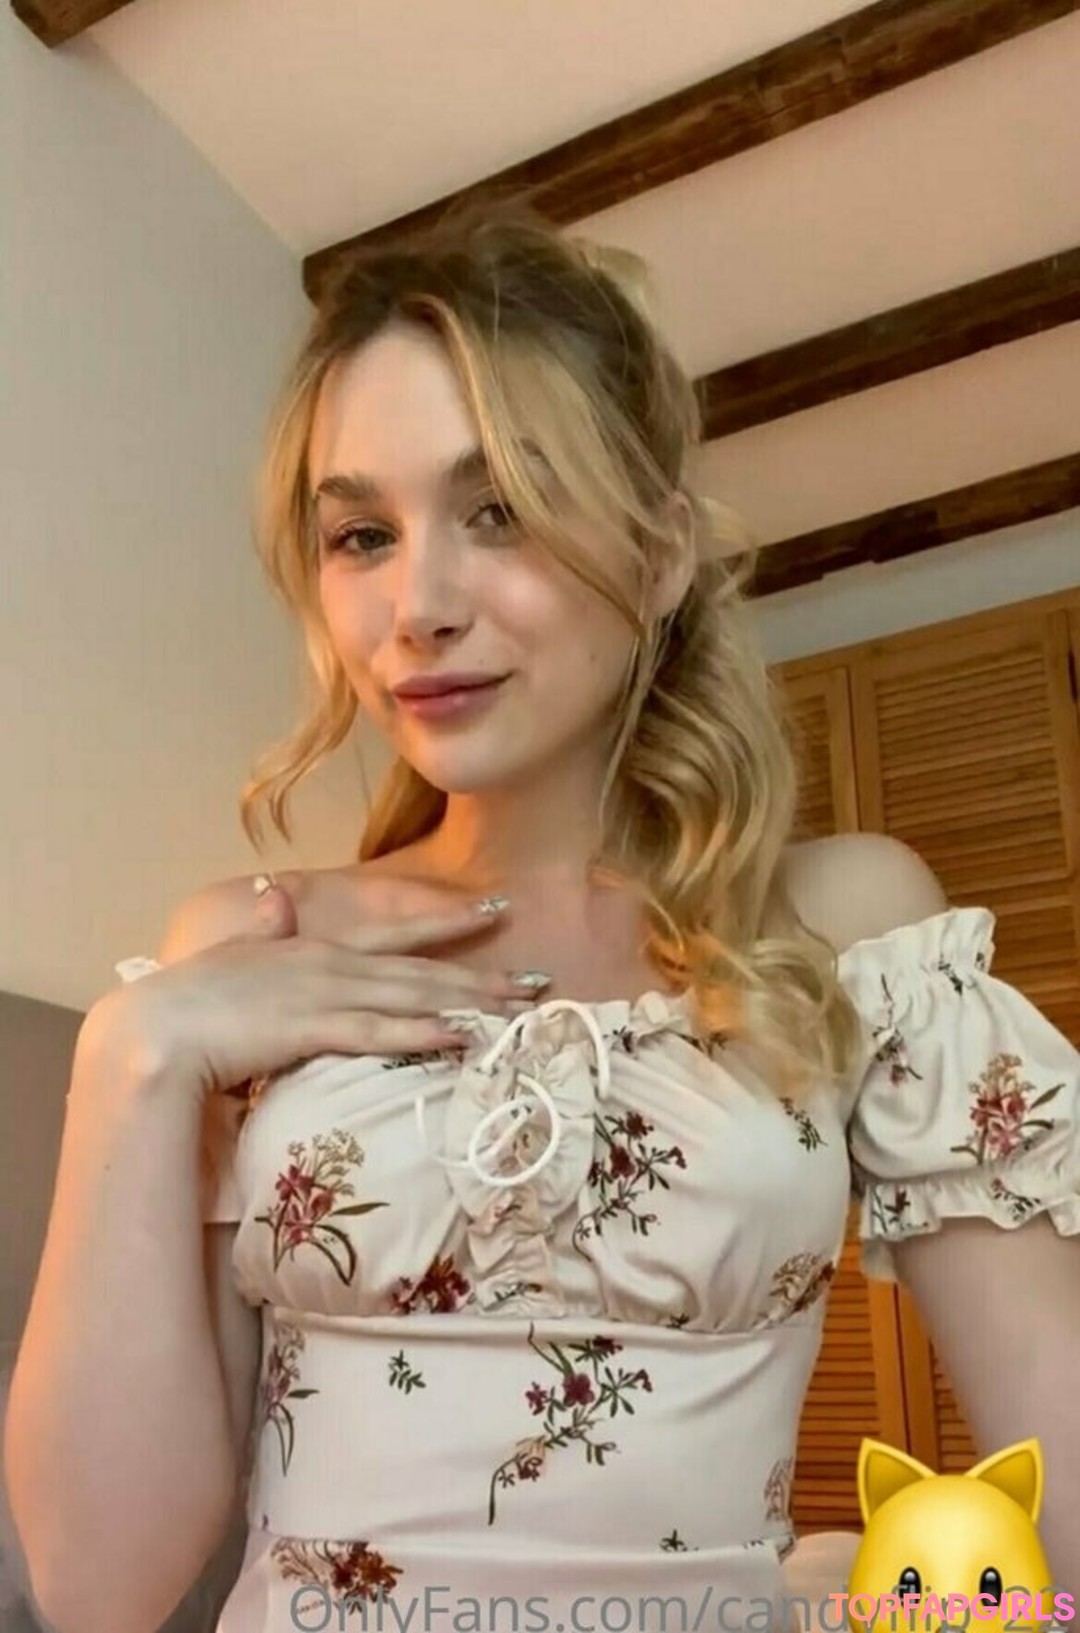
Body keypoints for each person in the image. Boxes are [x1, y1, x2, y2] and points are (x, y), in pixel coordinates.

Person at [5, 203, 1078, 1633]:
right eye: (361, 534)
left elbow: (1060, 1468)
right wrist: (133, 1055)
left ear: (660, 552)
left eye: (500, 505)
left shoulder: (848, 930)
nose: (416, 606)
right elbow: (97, 1588)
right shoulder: (246, 952)